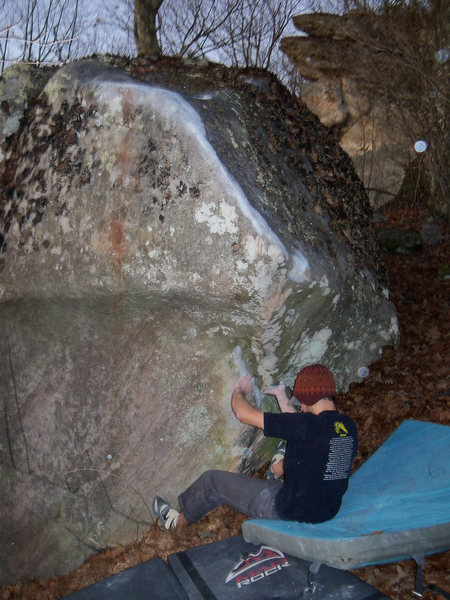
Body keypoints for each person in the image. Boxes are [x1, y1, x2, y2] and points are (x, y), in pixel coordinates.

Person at [152, 364, 358, 530]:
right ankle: (277, 469)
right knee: (309, 452)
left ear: (308, 397)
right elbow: (301, 429)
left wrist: (239, 391)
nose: (301, 406)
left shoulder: (305, 426)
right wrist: (281, 396)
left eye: (301, 401)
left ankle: (176, 523)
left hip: (290, 511)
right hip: (326, 509)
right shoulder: (346, 426)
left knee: (212, 481)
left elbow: (243, 413)